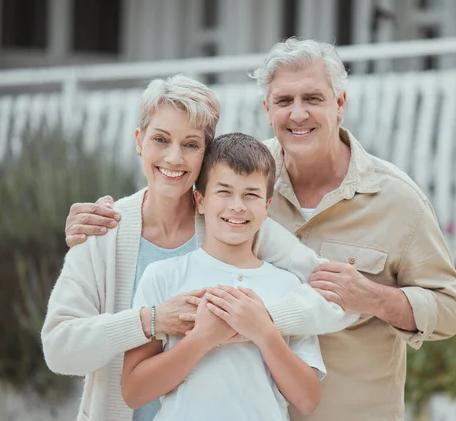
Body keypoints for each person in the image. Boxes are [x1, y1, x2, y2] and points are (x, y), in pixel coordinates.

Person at [65, 38, 456, 421]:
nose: (298, 113)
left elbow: (451, 307)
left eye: (312, 98)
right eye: (284, 100)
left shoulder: (397, 200)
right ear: (267, 108)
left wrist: (376, 298)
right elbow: (174, 184)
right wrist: (106, 220)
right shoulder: (246, 177)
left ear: (340, 103)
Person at [42, 75, 345, 421]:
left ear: (206, 153)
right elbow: (59, 350)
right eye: (160, 139)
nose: (173, 157)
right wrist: (151, 320)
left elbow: (336, 295)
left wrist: (260, 323)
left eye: (190, 144)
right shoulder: (102, 231)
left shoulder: (238, 226)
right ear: (139, 141)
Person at [122, 132, 325, 420]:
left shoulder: (290, 286)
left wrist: (264, 332)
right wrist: (202, 339)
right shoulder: (163, 277)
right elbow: (134, 392)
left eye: (251, 194)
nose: (237, 206)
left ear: (266, 208)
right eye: (224, 191)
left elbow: (307, 400)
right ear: (200, 201)